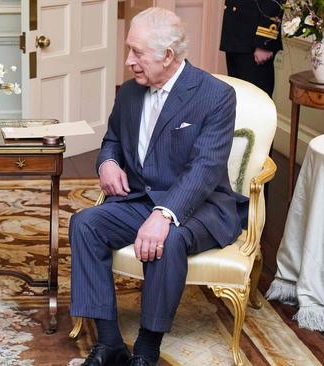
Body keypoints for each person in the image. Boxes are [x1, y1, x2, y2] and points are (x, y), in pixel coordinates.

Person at [70, 7, 247, 366]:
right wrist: (106, 162)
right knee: (85, 224)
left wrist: (165, 214)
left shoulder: (215, 95)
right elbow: (113, 140)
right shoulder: (130, 92)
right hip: (141, 198)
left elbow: (205, 169)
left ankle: (147, 350)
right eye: (128, 49)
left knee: (169, 238)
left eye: (137, 52)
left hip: (201, 205)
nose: (128, 60)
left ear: (168, 55)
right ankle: (109, 344)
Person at [220, 0, 284, 97]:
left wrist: (265, 41)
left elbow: (273, 3)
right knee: (239, 99)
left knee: (256, 100)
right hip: (236, 35)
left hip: (254, 42)